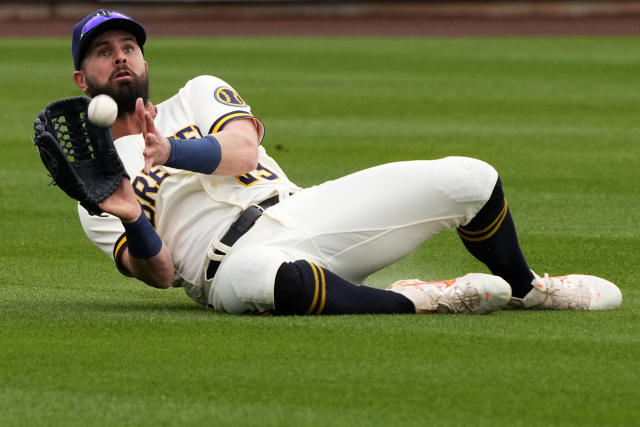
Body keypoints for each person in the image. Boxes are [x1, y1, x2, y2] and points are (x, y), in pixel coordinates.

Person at [69, 9, 621, 315]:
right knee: (263, 275)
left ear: (143, 58)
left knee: (469, 178)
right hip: (227, 271)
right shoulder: (97, 184)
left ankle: (528, 289)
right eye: (102, 50)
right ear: (82, 79)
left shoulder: (198, 93)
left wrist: (172, 151)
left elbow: (240, 150)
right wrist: (134, 219)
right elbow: (161, 276)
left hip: (305, 213)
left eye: (129, 45)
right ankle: (421, 299)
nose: (120, 55)